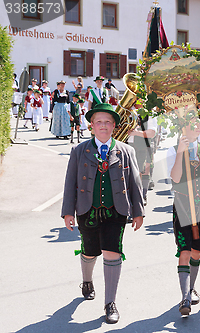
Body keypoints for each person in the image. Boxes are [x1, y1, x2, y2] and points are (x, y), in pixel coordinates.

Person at [61, 103, 144, 324]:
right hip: (87, 210)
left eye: (108, 122)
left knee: (112, 253)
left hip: (116, 211)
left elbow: (135, 184)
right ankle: (87, 281)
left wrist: (138, 211)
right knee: (90, 252)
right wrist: (68, 211)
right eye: (99, 122)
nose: (103, 126)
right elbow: (70, 183)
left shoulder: (126, 151)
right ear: (92, 126)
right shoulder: (79, 151)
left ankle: (110, 302)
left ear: (114, 126)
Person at [166, 116, 200, 316]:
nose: (195, 127)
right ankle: (185, 297)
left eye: (197, 124)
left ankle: (192, 287)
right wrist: (180, 152)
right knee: (184, 250)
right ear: (182, 128)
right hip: (182, 205)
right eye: (191, 124)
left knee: (196, 251)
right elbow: (175, 177)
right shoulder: (173, 150)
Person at [128, 110, 158, 205]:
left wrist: (136, 133)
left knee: (144, 170)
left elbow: (152, 133)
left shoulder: (149, 112)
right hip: (127, 144)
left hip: (144, 144)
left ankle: (142, 195)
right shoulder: (126, 109)